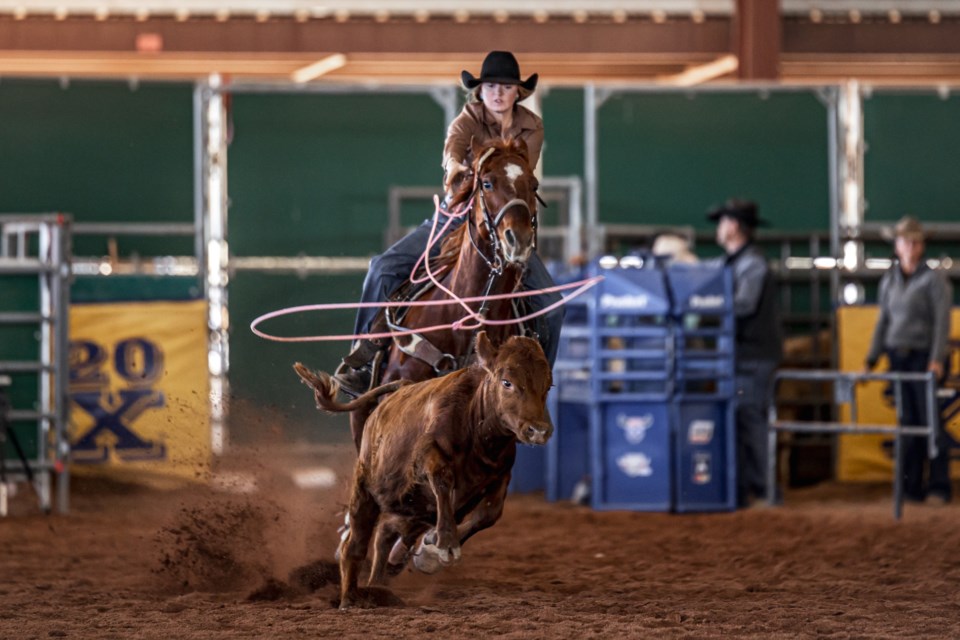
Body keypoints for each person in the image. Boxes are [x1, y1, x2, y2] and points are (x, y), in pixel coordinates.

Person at [335, 51, 562, 396]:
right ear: (479, 91)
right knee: (382, 269)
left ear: (518, 91)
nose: (497, 93)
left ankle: (539, 382)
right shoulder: (465, 121)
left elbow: (515, 167)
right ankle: (363, 361)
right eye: (490, 86)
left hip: (505, 226)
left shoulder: (533, 126)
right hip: (457, 217)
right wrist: (457, 167)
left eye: (505, 86)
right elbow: (453, 155)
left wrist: (478, 167)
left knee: (553, 307)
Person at [864, 216, 952, 505]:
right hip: (898, 357)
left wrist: (936, 359)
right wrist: (872, 357)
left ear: (921, 246)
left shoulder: (934, 280)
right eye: (905, 241)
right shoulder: (889, 280)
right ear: (897, 245)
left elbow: (942, 323)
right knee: (908, 422)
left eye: (915, 241)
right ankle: (912, 486)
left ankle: (939, 486)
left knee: (930, 422)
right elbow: (883, 321)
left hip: (923, 357)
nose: (911, 246)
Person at [707, 198, 783, 508]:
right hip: (745, 354)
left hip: (754, 356)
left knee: (752, 419)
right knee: (747, 419)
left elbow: (744, 305)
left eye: (723, 221)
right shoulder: (739, 262)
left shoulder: (751, 264)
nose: (719, 228)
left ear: (735, 226)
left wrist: (708, 308)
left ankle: (766, 490)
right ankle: (755, 489)